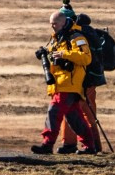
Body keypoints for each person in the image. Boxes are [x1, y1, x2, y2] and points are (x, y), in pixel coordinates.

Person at [31, 9, 99, 155]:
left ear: (62, 22)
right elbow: (54, 60)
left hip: (69, 84)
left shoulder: (76, 37)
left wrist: (64, 54)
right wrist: (44, 55)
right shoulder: (58, 39)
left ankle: (47, 144)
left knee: (54, 111)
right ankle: (89, 146)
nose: (52, 26)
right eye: (51, 24)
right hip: (61, 83)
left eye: (54, 23)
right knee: (74, 117)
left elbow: (86, 57)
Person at [59, 5, 106, 153]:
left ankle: (83, 145)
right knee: (76, 111)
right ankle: (85, 145)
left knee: (81, 112)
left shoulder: (77, 35)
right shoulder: (83, 32)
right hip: (82, 80)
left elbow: (84, 58)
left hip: (84, 80)